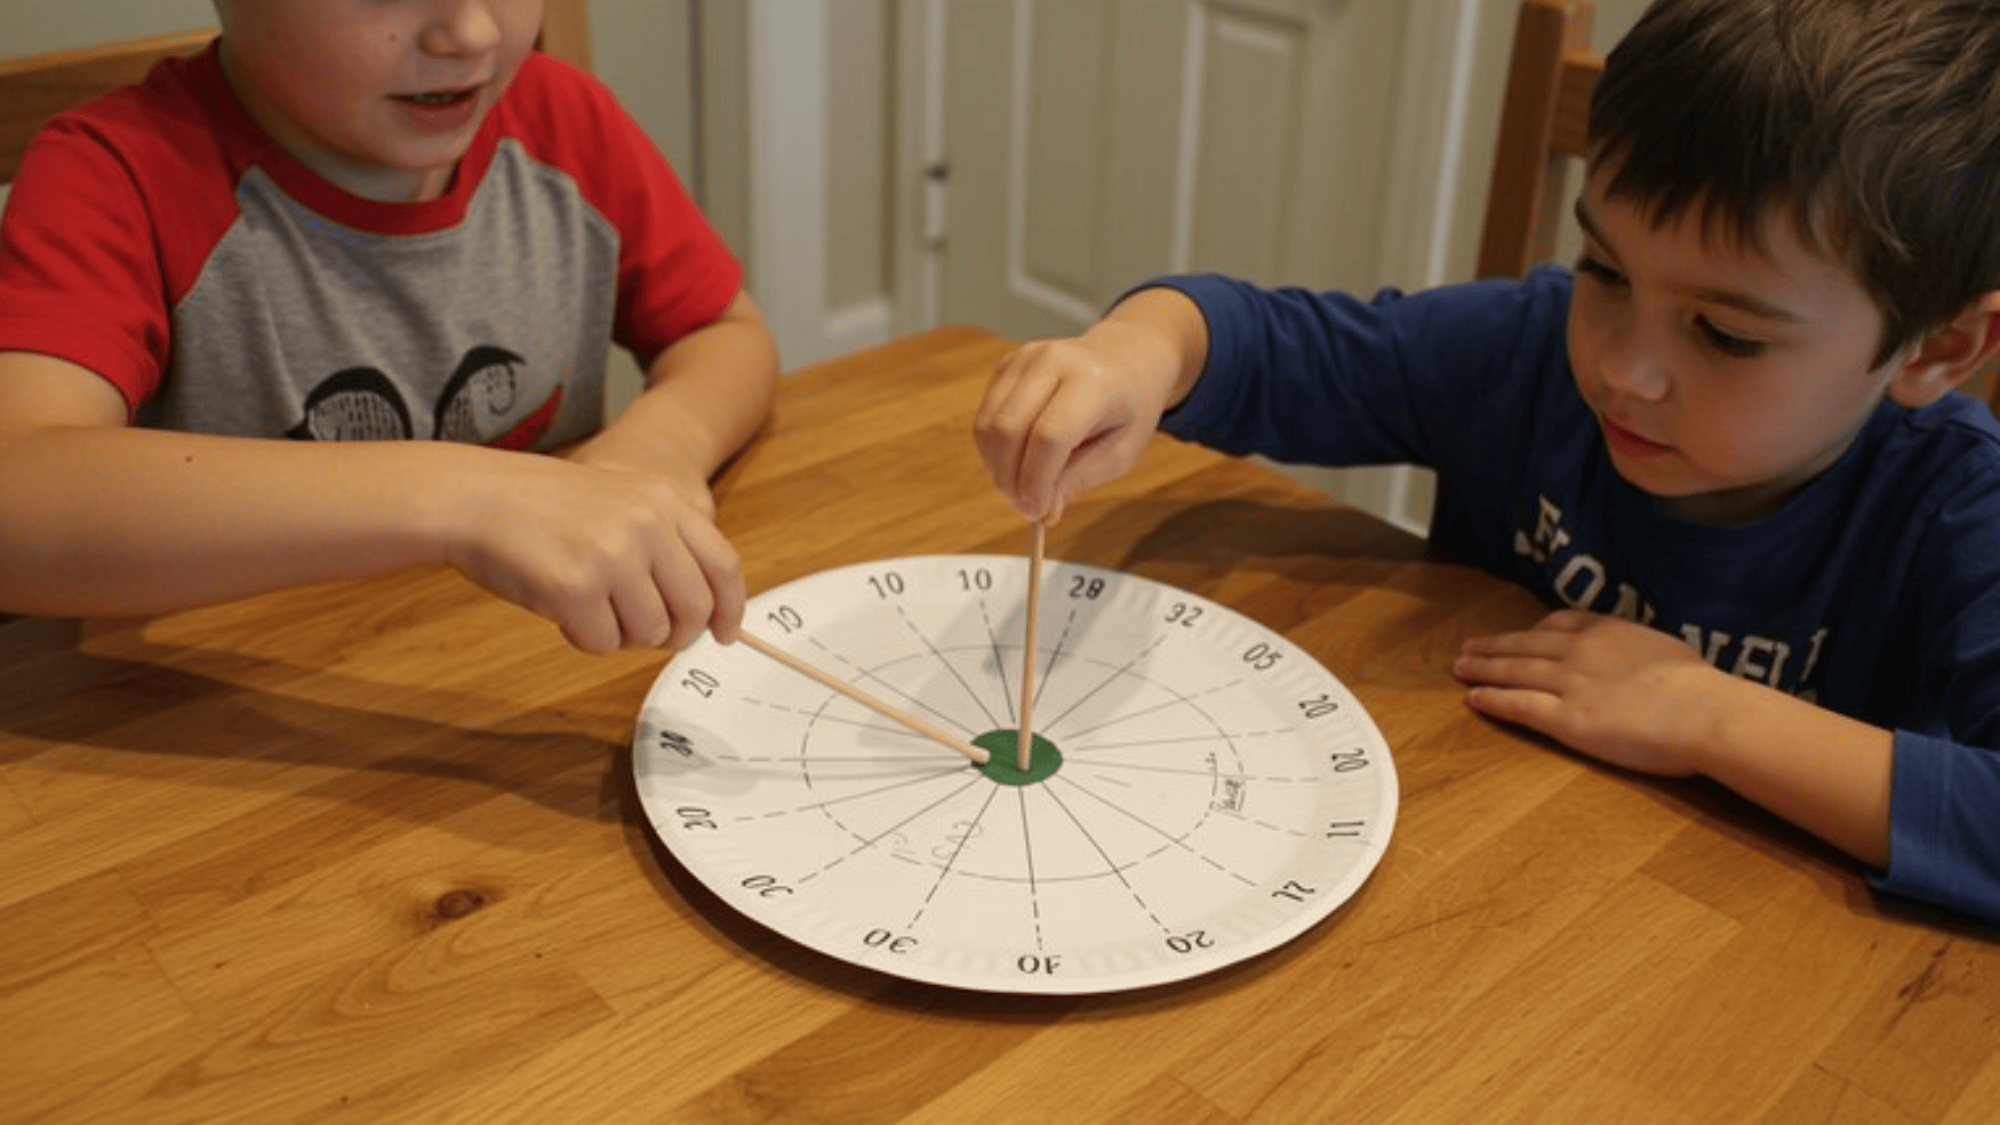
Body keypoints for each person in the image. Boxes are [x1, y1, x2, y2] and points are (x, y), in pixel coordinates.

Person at [973, 0, 2000, 927]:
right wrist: (1135, 352)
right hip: (1450, 893)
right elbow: (1265, 344)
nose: (1620, 366)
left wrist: (1709, 715)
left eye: (1723, 335)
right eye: (1603, 269)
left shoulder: (1960, 510)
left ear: (1935, 349)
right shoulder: (1521, 351)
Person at [0, 0, 779, 656]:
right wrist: (469, 500)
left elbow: (726, 332)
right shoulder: (120, 174)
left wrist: (656, 451)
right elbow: (18, 497)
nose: (469, 31)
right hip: (241, 718)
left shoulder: (564, 120)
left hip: (522, 666)